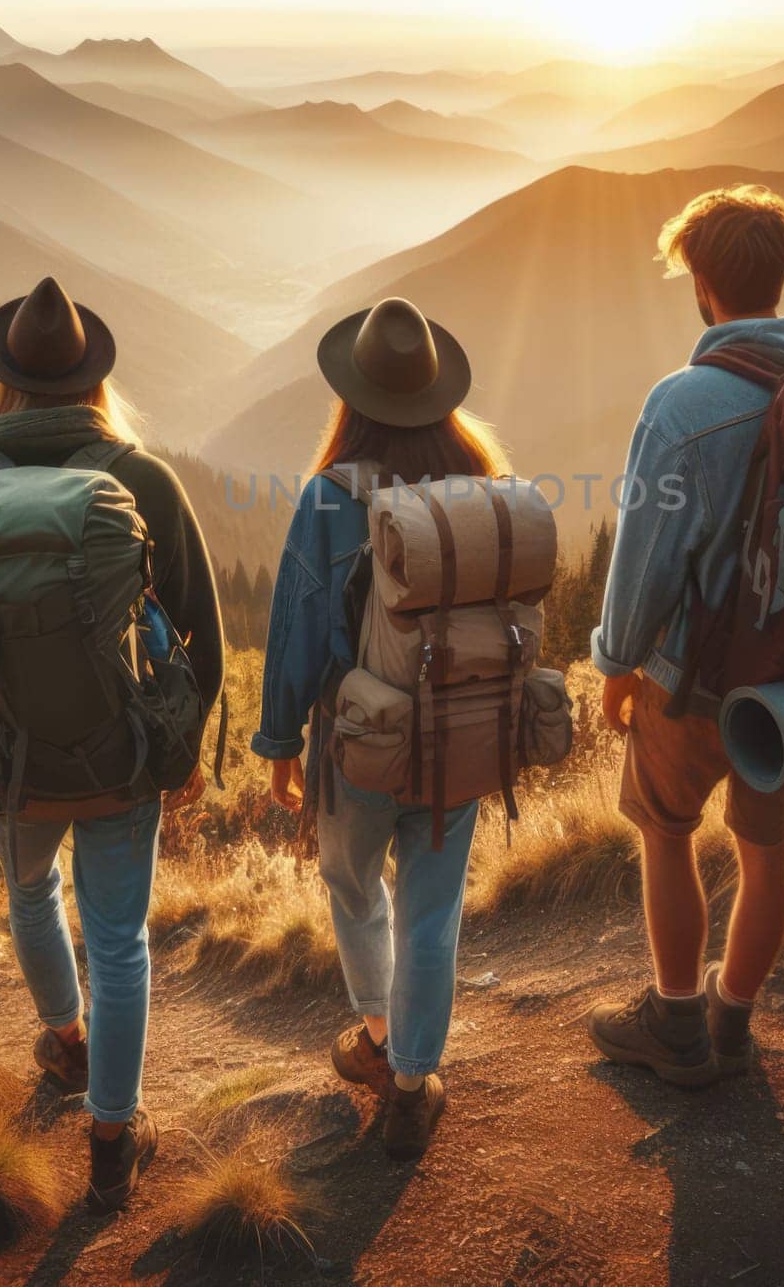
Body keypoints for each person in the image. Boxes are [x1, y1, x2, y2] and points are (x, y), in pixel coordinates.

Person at [0, 276, 224, 1209]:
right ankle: (113, 1140)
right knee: (119, 941)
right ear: (91, 381)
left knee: (30, 893)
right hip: (120, 756)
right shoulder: (139, 475)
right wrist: (186, 746)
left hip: (3, 758)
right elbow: (199, 627)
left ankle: (64, 1041)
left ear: (1, 379)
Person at [253, 296, 509, 1159]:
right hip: (463, 738)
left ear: (353, 399)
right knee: (433, 914)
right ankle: (411, 1087)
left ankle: (375, 1036)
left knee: (355, 884)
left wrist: (280, 743)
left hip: (360, 740)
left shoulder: (331, 496)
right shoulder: (482, 486)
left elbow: (298, 626)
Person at [586, 186, 784, 1086]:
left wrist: (615, 662)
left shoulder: (684, 403)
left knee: (667, 831)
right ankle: (734, 1023)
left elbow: (648, 555)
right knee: (767, 853)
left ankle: (675, 1022)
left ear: (702, 283)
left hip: (692, 677)